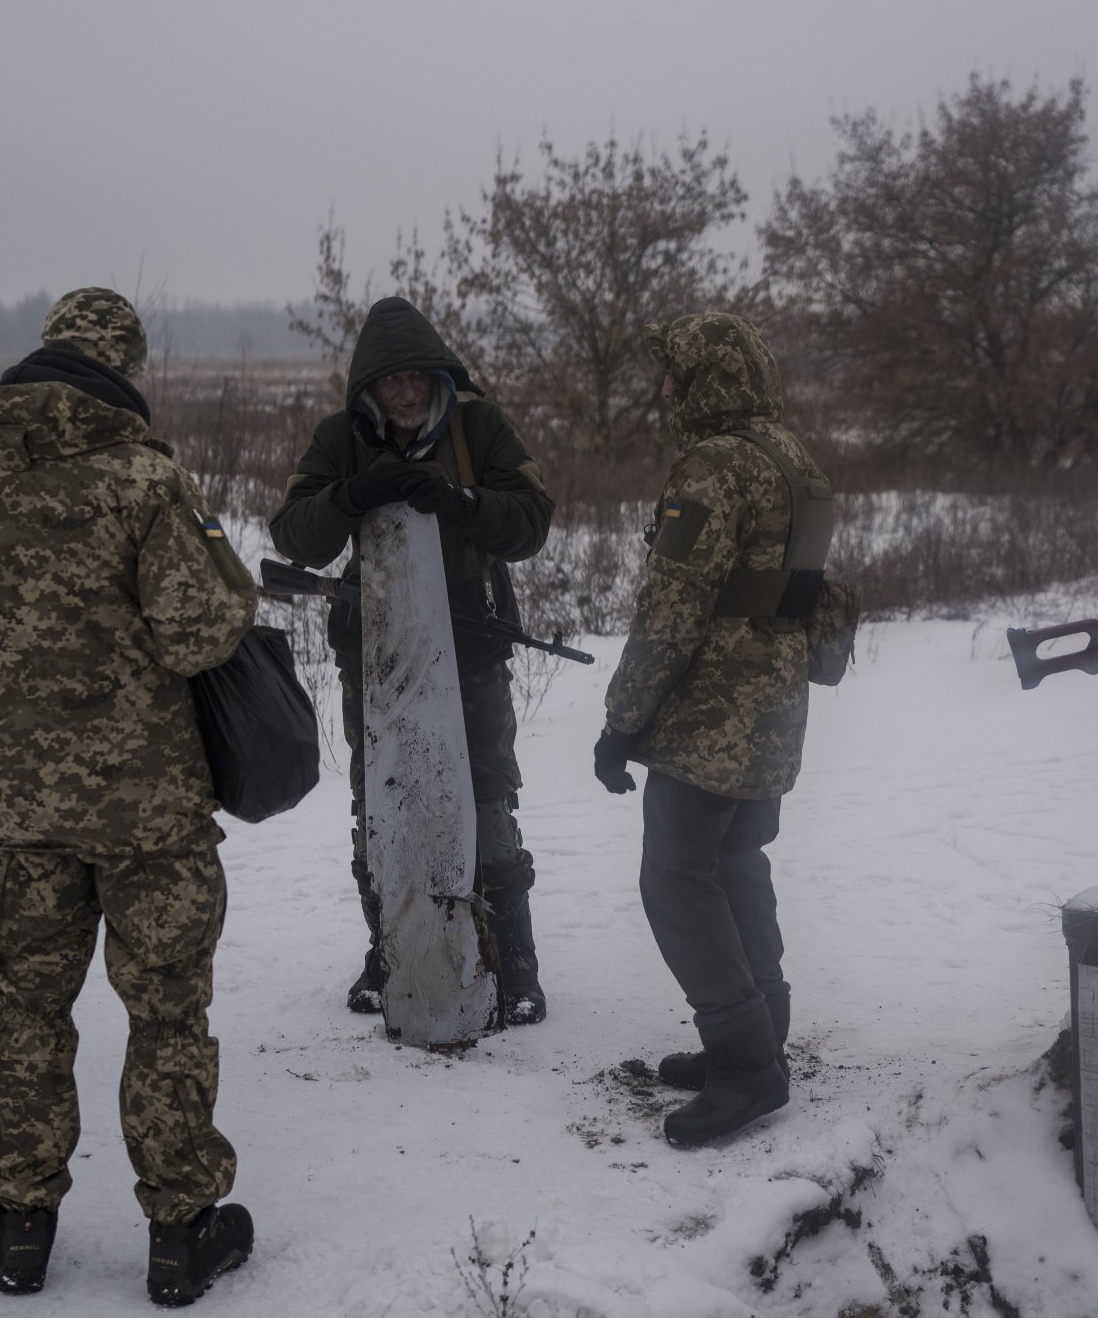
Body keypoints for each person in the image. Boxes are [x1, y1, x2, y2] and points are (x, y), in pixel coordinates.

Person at [0, 288, 259, 1307]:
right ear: (125, 366)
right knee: (168, 1013)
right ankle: (182, 1232)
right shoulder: (147, 479)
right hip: (151, 813)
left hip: (20, 811)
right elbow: (197, 630)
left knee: (28, 1012)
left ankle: (18, 1225)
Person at [268, 297, 555, 1023]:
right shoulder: (342, 438)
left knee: (487, 797)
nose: (405, 390)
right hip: (378, 651)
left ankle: (515, 961)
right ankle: (389, 952)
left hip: (472, 644)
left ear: (438, 375)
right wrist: (353, 496)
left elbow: (531, 519)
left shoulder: (476, 426)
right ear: (370, 384)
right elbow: (296, 533)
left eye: (417, 377)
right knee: (382, 799)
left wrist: (460, 502)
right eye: (390, 379)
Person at [592, 312, 828, 1147]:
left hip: (711, 715)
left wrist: (622, 723)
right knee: (736, 860)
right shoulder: (792, 457)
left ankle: (746, 1063)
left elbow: (671, 609)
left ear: (704, 375)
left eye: (673, 374)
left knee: (676, 877)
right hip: (775, 705)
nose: (665, 388)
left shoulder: (713, 467)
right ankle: (760, 1034)